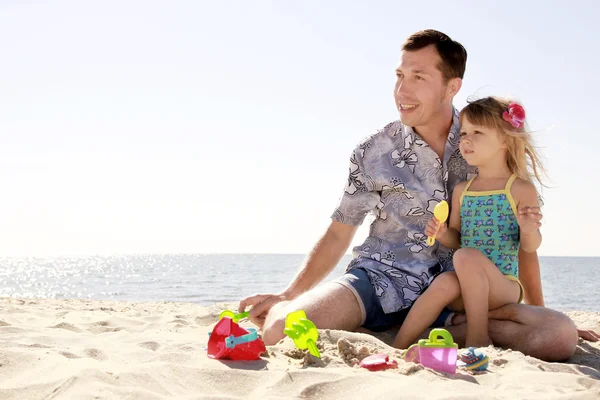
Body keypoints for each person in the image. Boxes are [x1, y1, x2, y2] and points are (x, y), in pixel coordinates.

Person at [238, 29, 597, 361]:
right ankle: (396, 328)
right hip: (380, 281)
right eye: (400, 76)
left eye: (418, 77)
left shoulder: (485, 141)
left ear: (451, 86)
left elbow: (520, 241)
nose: (402, 91)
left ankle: (422, 332)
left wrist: (539, 309)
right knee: (282, 329)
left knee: (557, 336)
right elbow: (339, 232)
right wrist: (289, 294)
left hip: (457, 295)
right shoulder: (373, 151)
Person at [393, 97, 545, 349]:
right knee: (444, 281)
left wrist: (529, 230)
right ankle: (399, 345)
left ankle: (478, 337)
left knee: (464, 258)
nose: (466, 139)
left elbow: (530, 247)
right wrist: (442, 234)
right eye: (463, 132)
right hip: (466, 286)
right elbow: (458, 239)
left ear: (506, 140)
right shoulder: (463, 190)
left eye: (478, 132)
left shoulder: (519, 189)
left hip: (503, 286)